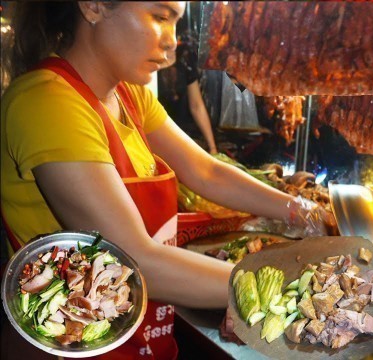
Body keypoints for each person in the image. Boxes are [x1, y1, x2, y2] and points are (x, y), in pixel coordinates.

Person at [0, 2, 331, 359]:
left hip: (142, 334)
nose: (172, 42)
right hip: (72, 342)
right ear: (94, 6)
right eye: (159, 17)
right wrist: (282, 288)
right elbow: (134, 259)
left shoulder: (130, 96)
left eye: (175, 22)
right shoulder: (48, 103)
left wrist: (301, 210)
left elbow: (206, 171)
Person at [158, 40, 217, 153]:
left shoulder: (184, 57)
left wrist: (212, 148)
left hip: (183, 135)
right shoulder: (146, 61)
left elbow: (196, 105)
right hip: (158, 136)